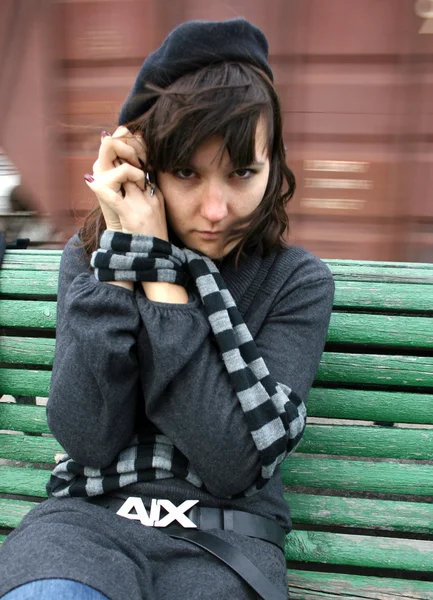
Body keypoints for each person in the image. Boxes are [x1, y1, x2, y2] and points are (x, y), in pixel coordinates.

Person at [0, 18, 334, 600]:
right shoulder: (93, 265)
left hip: (223, 543)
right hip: (87, 525)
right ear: (145, 165)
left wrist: (162, 281)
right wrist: (128, 261)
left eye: (242, 173)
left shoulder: (295, 282)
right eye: (186, 172)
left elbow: (232, 463)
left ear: (273, 164)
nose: (214, 208)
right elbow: (87, 438)